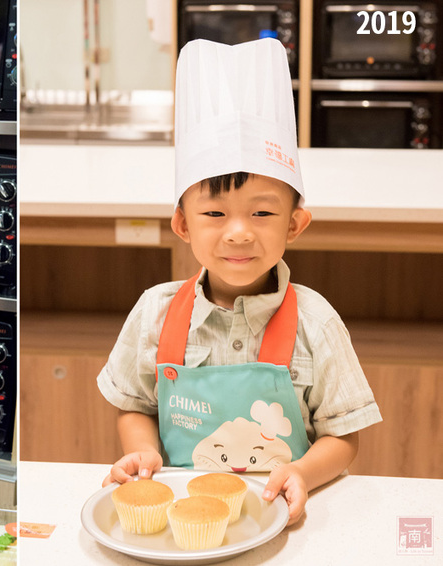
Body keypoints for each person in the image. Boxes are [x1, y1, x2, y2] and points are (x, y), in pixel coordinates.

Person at [97, 39, 382, 525]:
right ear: (183, 224)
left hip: (282, 518)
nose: (238, 233)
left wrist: (302, 473)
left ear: (294, 224)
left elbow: (343, 436)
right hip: (182, 521)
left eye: (262, 213)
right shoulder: (154, 313)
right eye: (214, 213)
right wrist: (143, 453)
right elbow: (135, 406)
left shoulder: (316, 322)